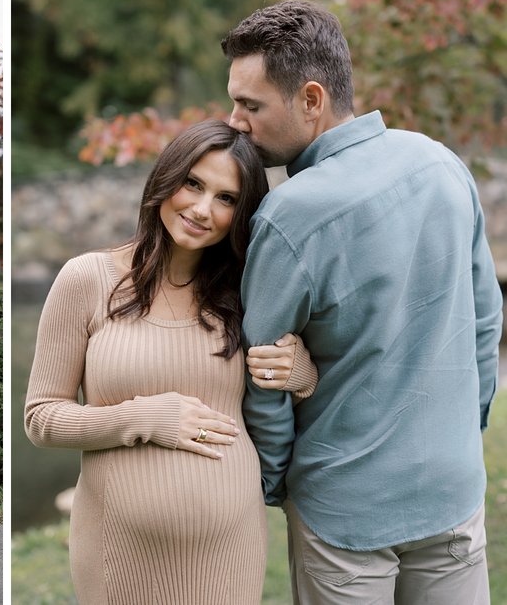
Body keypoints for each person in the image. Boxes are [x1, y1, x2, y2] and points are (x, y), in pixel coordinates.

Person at [223, 0, 503, 603]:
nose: (235, 121)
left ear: (311, 100)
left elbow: (265, 374)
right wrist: (465, 428)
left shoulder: (289, 217)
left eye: (250, 105)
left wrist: (275, 481)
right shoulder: (441, 164)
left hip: (344, 510)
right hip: (453, 487)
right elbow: (486, 319)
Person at [24, 119, 318, 604]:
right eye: (194, 184)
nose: (202, 209)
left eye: (226, 199)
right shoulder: (87, 279)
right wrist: (145, 419)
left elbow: (301, 391)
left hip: (230, 551)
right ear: (166, 178)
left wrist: (301, 371)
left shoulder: (248, 293)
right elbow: (41, 419)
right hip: (119, 552)